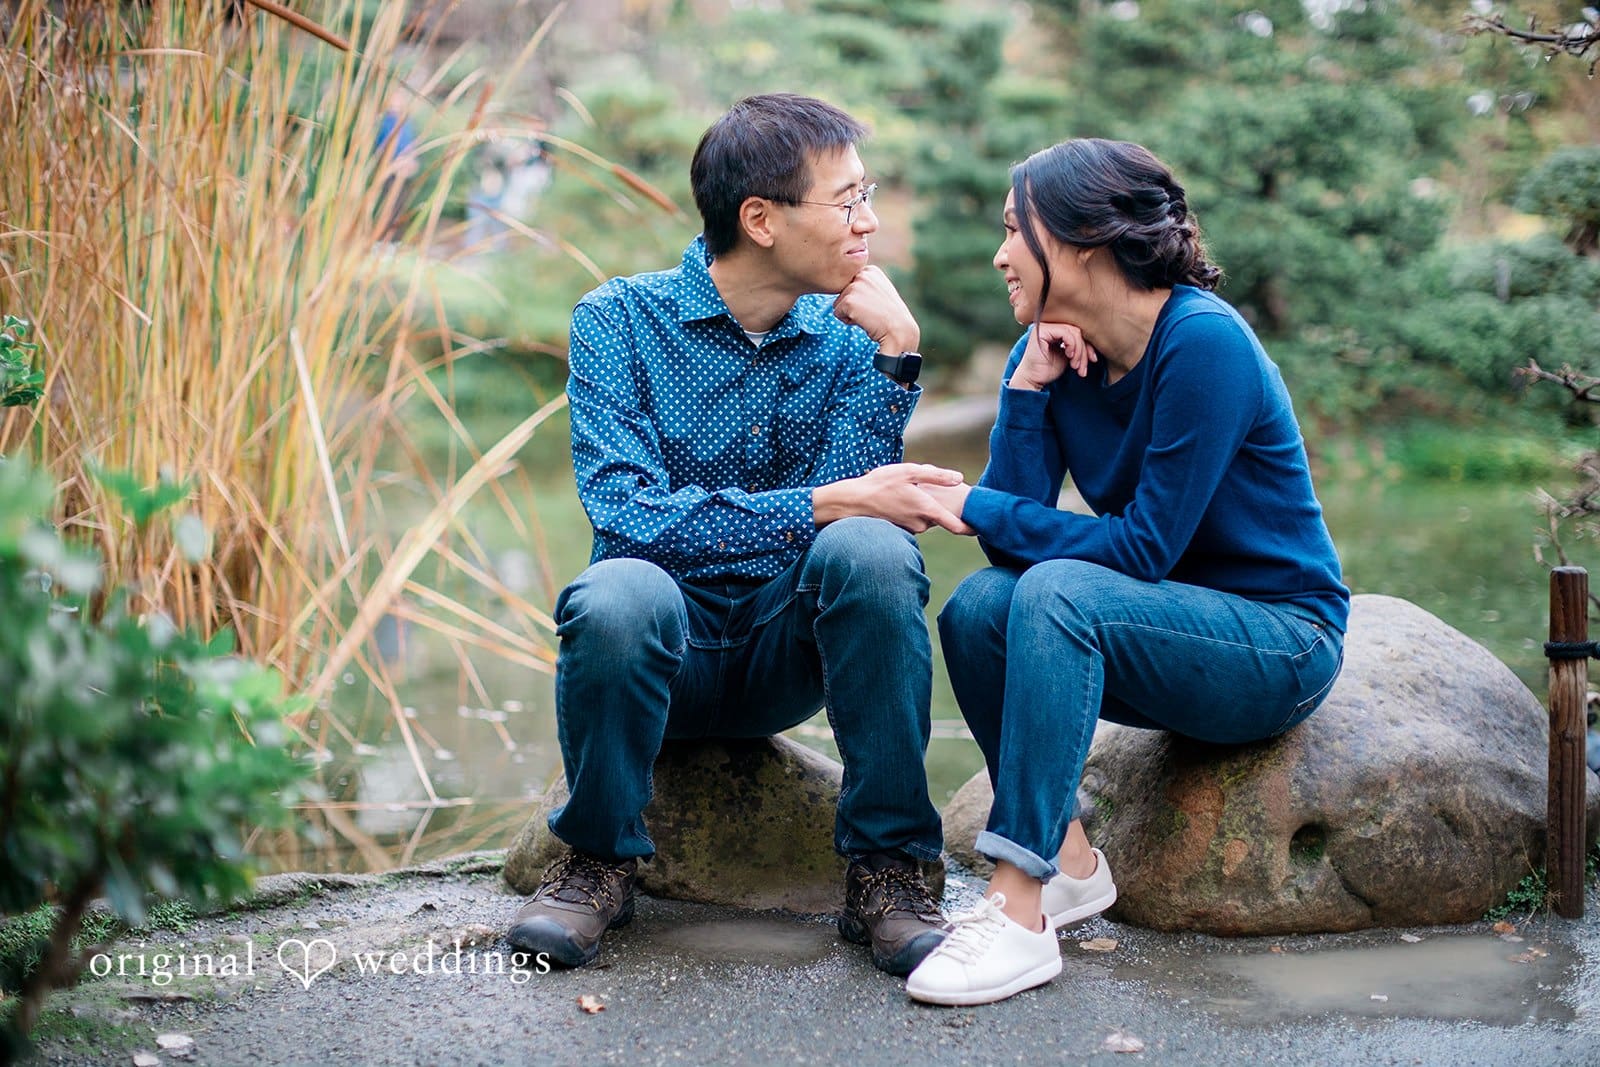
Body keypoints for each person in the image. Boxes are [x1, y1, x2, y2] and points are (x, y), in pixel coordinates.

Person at [507, 93, 966, 975]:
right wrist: (821, 503)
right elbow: (626, 513)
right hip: (658, 655)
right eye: (848, 200)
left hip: (779, 653)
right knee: (618, 586)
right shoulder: (618, 322)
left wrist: (899, 351)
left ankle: (889, 874)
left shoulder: (846, 339)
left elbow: (859, 517)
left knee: (874, 552)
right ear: (760, 218)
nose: (868, 222)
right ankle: (597, 863)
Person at [904, 139, 1350, 1006]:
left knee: (1058, 592)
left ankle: (1020, 908)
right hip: (1158, 626)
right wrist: (1028, 396)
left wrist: (975, 503)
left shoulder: (1203, 343)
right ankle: (1067, 862)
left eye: (1012, 231)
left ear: (1083, 241)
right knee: (978, 608)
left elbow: (1143, 547)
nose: (998, 255)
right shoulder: (1048, 354)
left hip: (1279, 640)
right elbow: (1009, 555)